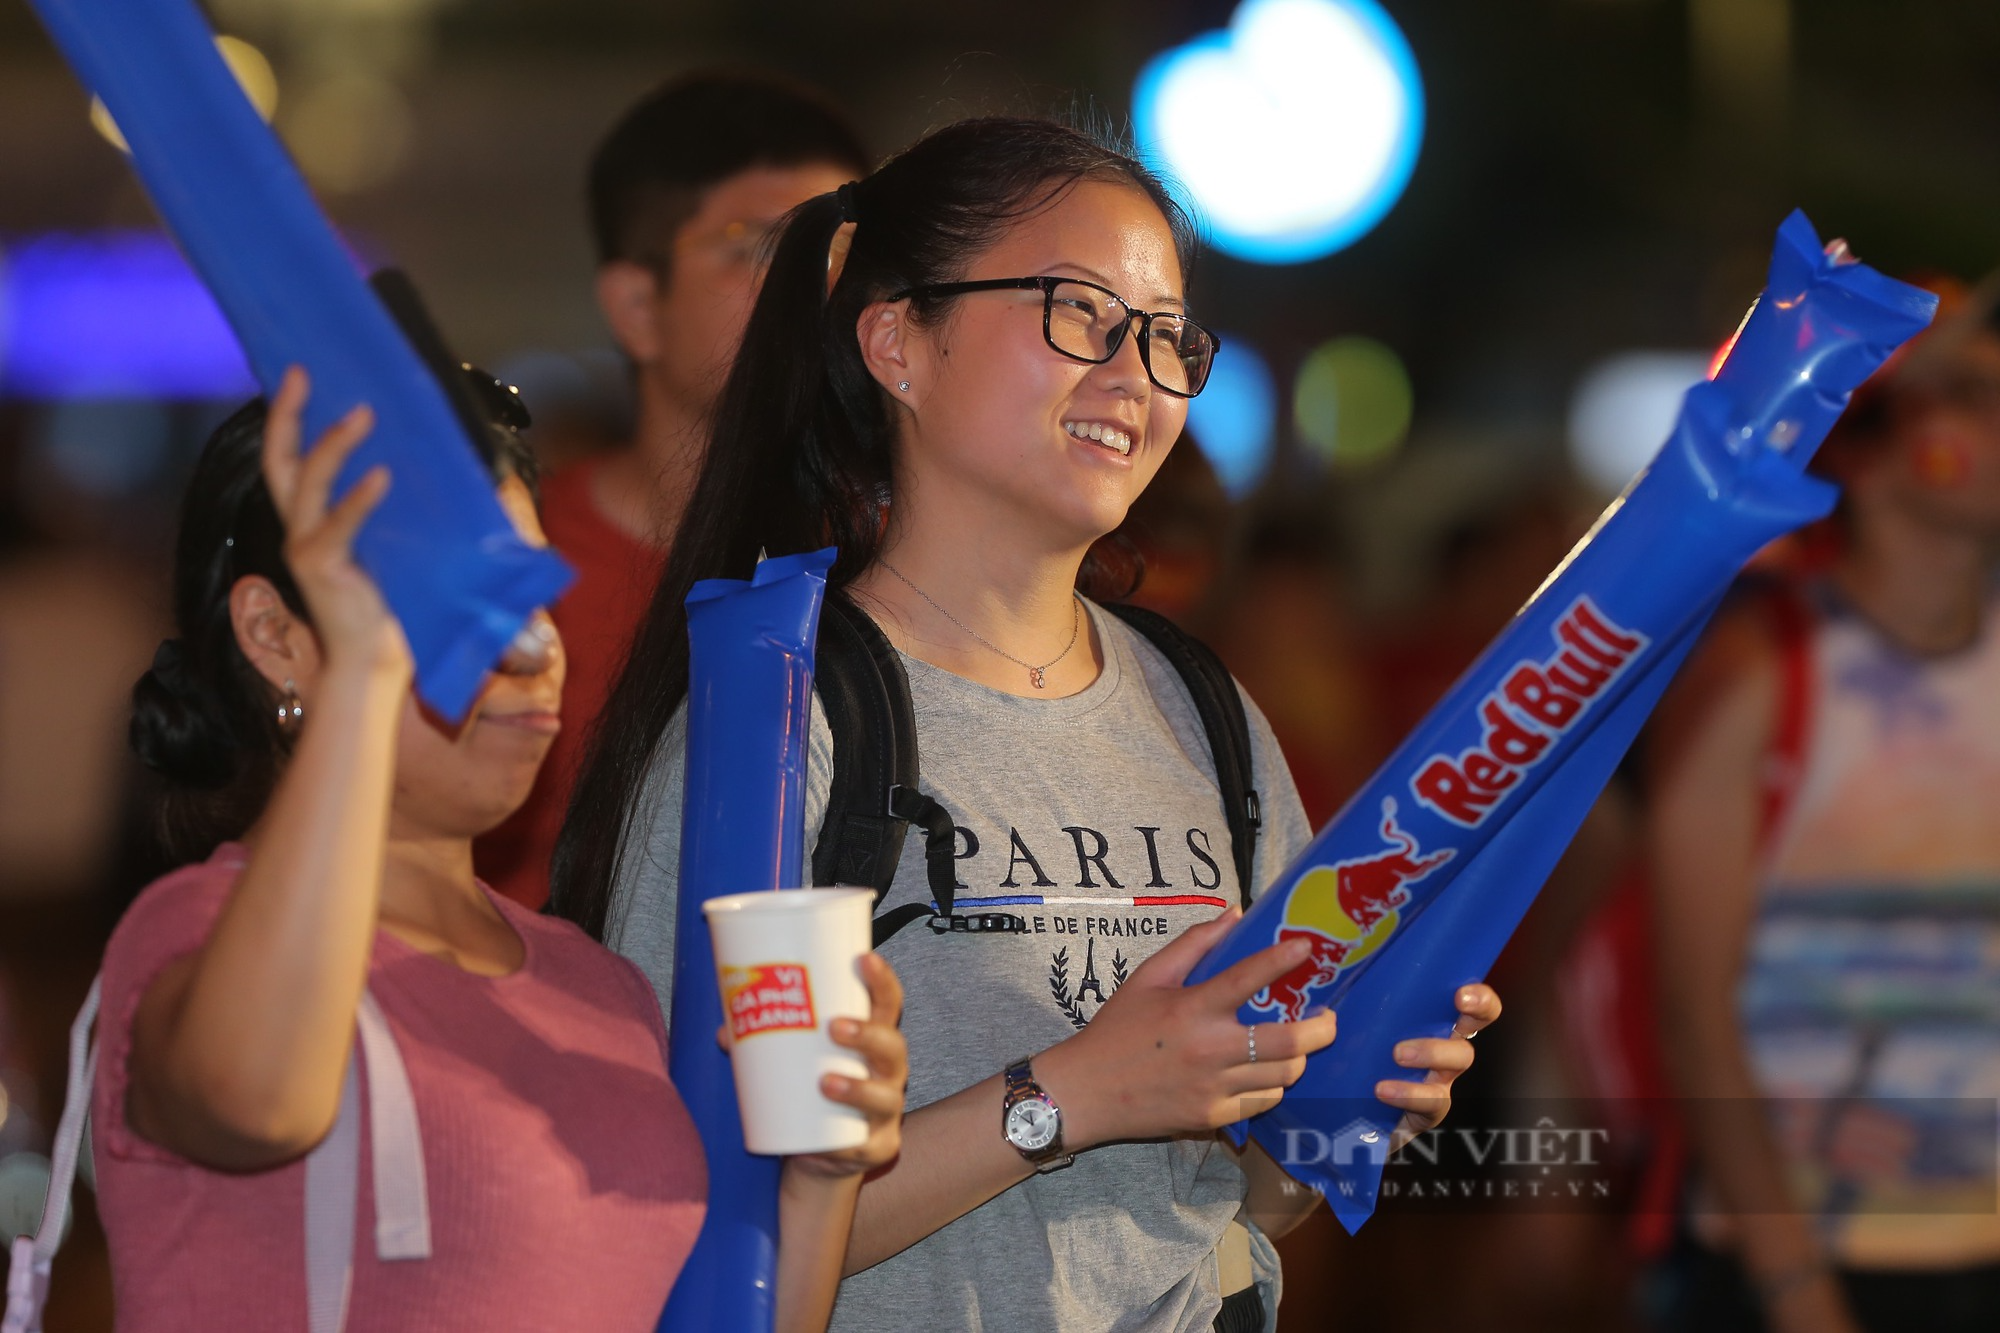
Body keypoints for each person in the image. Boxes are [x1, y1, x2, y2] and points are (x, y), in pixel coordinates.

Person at [553, 117, 1500, 1332]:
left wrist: (1342, 1083)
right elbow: (686, 1221)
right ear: (897, 341)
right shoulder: (785, 726)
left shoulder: (1202, 709)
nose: (1134, 376)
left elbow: (1242, 1197)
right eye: (1077, 312)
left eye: (1166, 337)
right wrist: (1068, 1094)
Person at [96, 367, 907, 1330]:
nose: (532, 646)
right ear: (278, 634)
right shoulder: (194, 935)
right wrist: (367, 675)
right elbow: (255, 1103)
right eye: (457, 601)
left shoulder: (597, 985)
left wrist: (821, 1175)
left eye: (529, 590)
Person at [1647, 280, 2000, 1333]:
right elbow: (1691, 1012)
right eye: (1971, 396)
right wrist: (1793, 1285)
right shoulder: (1759, 674)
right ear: (1867, 440)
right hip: (1800, 1265)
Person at [475, 71, 870, 909]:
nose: (819, 290)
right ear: (635, 306)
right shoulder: (508, 576)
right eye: (759, 249)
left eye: (846, 254)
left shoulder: (902, 565)